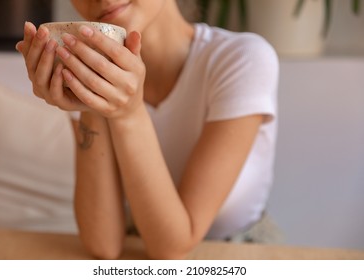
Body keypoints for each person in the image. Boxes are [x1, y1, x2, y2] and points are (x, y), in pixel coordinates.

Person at [15, 0, 279, 259]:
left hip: (238, 255)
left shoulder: (242, 59)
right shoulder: (89, 68)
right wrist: (91, 106)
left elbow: (173, 247)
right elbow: (103, 245)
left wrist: (128, 114)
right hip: (139, 249)